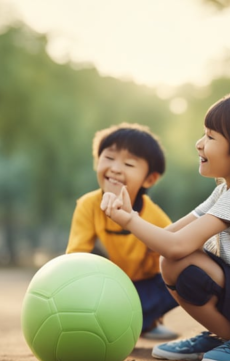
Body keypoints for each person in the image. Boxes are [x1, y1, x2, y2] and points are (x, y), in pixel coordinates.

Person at [100, 89, 230, 361]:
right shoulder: (226, 191)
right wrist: (132, 216)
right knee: (174, 262)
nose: (199, 144)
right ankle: (226, 335)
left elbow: (175, 247)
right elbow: (167, 238)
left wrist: (130, 221)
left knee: (179, 264)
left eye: (210, 137)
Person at [66, 123, 181, 341]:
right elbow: (76, 256)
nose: (116, 168)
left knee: (183, 277)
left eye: (129, 163)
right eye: (108, 158)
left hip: (146, 287)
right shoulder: (88, 205)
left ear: (150, 179)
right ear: (97, 162)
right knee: (80, 273)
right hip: (110, 287)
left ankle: (143, 320)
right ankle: (138, 322)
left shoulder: (154, 216)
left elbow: (173, 251)